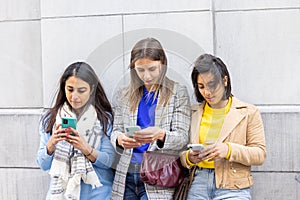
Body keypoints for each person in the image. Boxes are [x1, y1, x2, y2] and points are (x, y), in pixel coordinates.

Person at [110, 38, 191, 200]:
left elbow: (182, 137)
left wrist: (160, 134)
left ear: (163, 65)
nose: (146, 76)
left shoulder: (177, 92)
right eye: (140, 70)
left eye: (152, 69)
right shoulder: (123, 95)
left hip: (157, 176)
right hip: (126, 175)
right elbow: (115, 130)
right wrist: (120, 139)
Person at [180, 54, 266, 199]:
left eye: (212, 84)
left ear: (224, 80)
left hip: (233, 185)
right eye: (201, 86)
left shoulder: (248, 112)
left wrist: (228, 149)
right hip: (199, 182)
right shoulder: (193, 113)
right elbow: (180, 152)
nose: (207, 92)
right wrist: (189, 158)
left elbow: (260, 154)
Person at [36, 62, 115, 200]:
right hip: (61, 195)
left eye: (81, 90)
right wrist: (51, 144)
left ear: (92, 89)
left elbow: (109, 161)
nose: (74, 96)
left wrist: (86, 149)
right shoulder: (51, 119)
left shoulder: (104, 119)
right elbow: (43, 165)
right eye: (70, 89)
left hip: (98, 194)